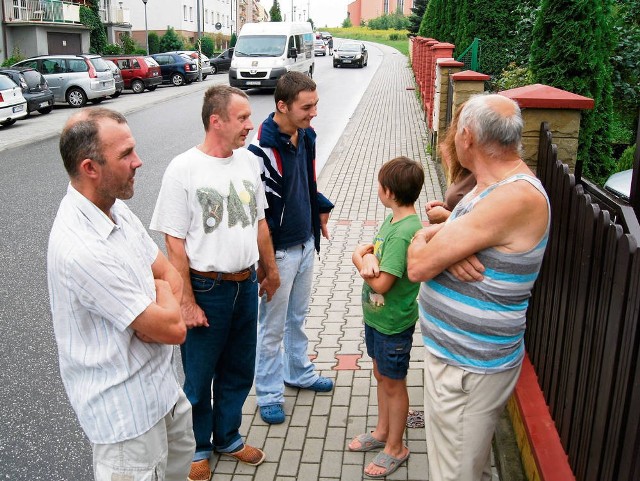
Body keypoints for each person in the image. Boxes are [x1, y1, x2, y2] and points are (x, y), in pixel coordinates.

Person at [407, 94, 551, 481]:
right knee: (467, 467)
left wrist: (431, 243)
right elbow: (443, 237)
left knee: (454, 474)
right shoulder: (489, 186)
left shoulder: (514, 195)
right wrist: (444, 242)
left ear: (466, 137)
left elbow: (418, 264)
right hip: (458, 359)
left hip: (469, 368)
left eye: (456, 132)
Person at [48, 108, 195, 481]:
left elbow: (167, 273)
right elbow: (175, 330)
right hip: (127, 421)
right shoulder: (81, 248)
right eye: (126, 154)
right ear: (90, 168)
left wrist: (160, 298)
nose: (139, 161)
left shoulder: (116, 210)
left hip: (163, 391)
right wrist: (164, 306)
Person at [150, 85, 279, 481]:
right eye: (242, 118)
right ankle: (197, 447)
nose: (250, 125)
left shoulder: (247, 163)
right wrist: (185, 301)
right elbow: (174, 243)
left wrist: (270, 269)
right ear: (215, 121)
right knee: (199, 375)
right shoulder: (183, 168)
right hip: (206, 288)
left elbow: (259, 221)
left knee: (239, 368)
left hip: (245, 286)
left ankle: (228, 437)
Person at [248, 71, 334, 425]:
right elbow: (259, 214)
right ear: (282, 105)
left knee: (297, 318)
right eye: (307, 106)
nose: (314, 112)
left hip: (305, 241)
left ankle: (298, 372)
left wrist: (321, 208)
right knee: (271, 326)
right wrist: (267, 266)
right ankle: (268, 392)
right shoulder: (260, 151)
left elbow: (307, 181)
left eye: (315, 104)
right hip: (280, 251)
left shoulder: (306, 135)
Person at [349, 156, 424, 478]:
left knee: (394, 383)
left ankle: (396, 446)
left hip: (393, 324)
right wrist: (369, 258)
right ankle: (382, 432)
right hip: (379, 320)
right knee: (382, 375)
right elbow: (377, 260)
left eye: (380, 185)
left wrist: (358, 258)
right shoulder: (393, 222)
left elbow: (382, 281)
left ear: (389, 191)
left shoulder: (404, 231)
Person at [424, 102, 476, 224]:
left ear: (467, 136)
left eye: (456, 130)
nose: (452, 136)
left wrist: (447, 216)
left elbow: (484, 229)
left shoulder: (487, 175)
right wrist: (445, 207)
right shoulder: (466, 166)